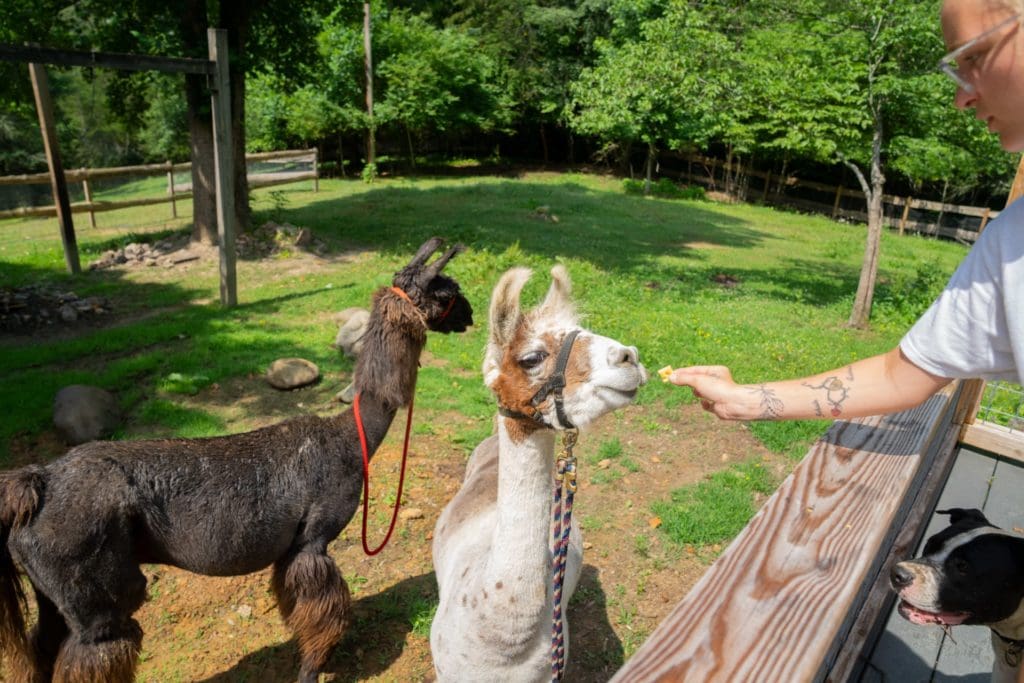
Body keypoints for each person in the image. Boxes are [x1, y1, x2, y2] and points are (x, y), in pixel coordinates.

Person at [669, 0, 1024, 424]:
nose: (961, 96)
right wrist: (740, 400)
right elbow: (901, 375)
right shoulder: (1009, 242)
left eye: (975, 56)